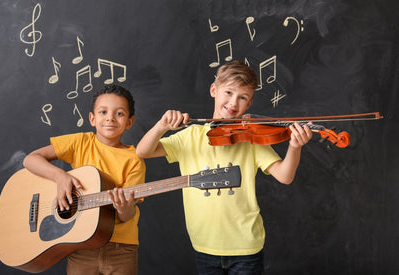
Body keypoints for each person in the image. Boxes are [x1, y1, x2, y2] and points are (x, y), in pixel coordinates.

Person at [136, 60, 312, 274]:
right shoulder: (191, 136)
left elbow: (285, 176)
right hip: (204, 245)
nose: (233, 102)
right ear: (214, 90)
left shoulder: (250, 139)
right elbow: (143, 151)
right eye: (228, 92)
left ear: (249, 105)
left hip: (246, 246)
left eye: (242, 98)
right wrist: (161, 126)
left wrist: (295, 146)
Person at [23, 84, 145, 275]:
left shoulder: (135, 159)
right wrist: (60, 177)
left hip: (121, 249)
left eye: (119, 113)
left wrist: (123, 207)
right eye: (103, 111)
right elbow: (30, 159)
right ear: (92, 118)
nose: (110, 118)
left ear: (130, 122)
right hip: (81, 244)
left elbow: (126, 216)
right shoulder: (80, 143)